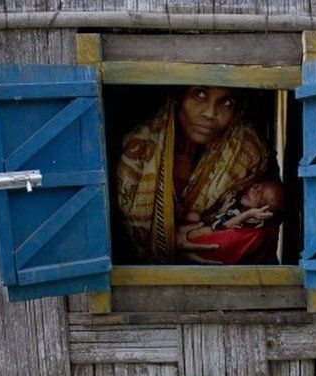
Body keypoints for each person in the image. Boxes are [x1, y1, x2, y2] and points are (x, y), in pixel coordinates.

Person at [115, 86, 269, 264]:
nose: (211, 113)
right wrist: (169, 241)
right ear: (178, 97)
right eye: (200, 94)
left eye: (226, 102)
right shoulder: (140, 147)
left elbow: (268, 220)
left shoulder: (246, 152)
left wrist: (203, 238)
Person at [182, 180, 286, 265]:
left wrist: (246, 215)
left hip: (203, 236)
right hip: (207, 227)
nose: (253, 188)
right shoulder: (239, 211)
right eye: (258, 185)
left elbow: (222, 226)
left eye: (260, 194)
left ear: (264, 213)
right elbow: (221, 218)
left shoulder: (251, 228)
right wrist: (223, 209)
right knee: (193, 216)